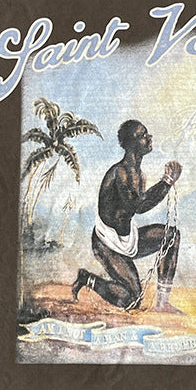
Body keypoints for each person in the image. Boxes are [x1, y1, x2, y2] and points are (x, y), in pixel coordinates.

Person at [72, 119, 183, 314]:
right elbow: (138, 206)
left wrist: (166, 183)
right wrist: (166, 182)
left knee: (171, 236)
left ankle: (163, 303)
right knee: (132, 300)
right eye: (143, 136)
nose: (149, 138)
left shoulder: (137, 172)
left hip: (128, 239)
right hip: (107, 245)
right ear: (132, 144)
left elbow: (137, 204)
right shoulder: (122, 172)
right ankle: (87, 278)